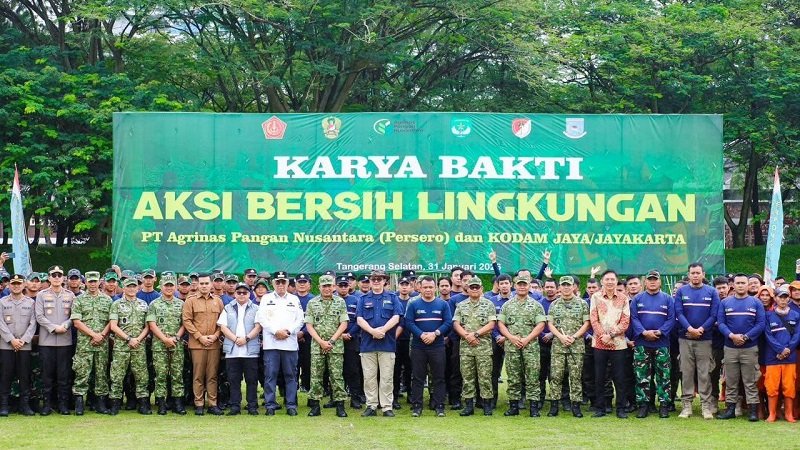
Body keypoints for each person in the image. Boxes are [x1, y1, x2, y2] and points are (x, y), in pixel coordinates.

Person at [717, 273, 766, 422]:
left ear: (747, 285)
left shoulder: (756, 302)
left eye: (743, 283)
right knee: (731, 380)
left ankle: (752, 411)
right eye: (737, 283)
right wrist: (732, 336)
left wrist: (745, 337)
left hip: (750, 348)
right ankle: (730, 410)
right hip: (730, 347)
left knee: (750, 381)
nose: (740, 285)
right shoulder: (725, 302)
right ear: (733, 285)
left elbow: (760, 324)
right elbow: (721, 323)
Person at [674, 263, 720, 419]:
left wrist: (700, 329)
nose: (695, 275)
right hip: (685, 338)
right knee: (686, 372)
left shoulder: (712, 292)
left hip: (705, 339)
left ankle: (705, 406)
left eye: (698, 272)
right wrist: (689, 329)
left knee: (704, 373)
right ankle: (686, 406)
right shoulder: (681, 291)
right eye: (692, 273)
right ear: (688, 274)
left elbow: (714, 315)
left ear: (703, 274)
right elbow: (679, 313)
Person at [497, 274, 547, 417]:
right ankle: (514, 407)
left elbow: (541, 324)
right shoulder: (507, 305)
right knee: (513, 377)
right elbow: (500, 324)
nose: (522, 286)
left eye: (525, 284)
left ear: (529, 285)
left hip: (530, 347)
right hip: (512, 347)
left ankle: (534, 408)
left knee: (532, 376)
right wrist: (511, 337)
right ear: (515, 285)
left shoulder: (536, 305)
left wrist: (527, 339)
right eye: (519, 284)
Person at [255, 271, 304, 416]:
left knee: (290, 376)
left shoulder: (294, 299)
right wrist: (276, 331)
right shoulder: (266, 298)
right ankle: (270, 405)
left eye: (284, 282)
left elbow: (300, 320)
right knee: (270, 375)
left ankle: (291, 405)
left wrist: (288, 331)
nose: (281, 285)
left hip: (289, 344)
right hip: (272, 344)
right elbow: (262, 319)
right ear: (273, 283)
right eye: (278, 282)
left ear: (288, 284)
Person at [356, 269, 403, 417]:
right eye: (373, 279)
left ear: (384, 281)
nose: (376, 281)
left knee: (387, 377)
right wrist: (372, 331)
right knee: (369, 377)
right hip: (368, 344)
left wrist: (382, 330)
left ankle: (387, 407)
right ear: (370, 281)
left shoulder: (393, 297)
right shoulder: (363, 299)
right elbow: (359, 319)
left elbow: (396, 317)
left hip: (387, 344)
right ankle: (371, 406)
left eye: (379, 279)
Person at [404, 275, 452, 417]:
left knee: (439, 377)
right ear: (420, 288)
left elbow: (448, 323)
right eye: (425, 287)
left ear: (435, 288)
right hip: (419, 346)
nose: (428, 290)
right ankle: (417, 406)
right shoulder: (414, 304)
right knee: (418, 377)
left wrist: (435, 334)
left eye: (431, 287)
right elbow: (409, 322)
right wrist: (422, 335)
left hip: (437, 346)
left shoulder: (443, 304)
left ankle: (439, 406)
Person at [629, 270, 674, 419]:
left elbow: (671, 319)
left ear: (660, 282)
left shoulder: (668, 299)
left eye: (655, 279)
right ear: (645, 282)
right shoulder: (637, 299)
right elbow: (634, 318)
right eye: (650, 279)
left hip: (661, 343)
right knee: (641, 376)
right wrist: (643, 332)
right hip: (642, 343)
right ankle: (643, 405)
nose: (653, 282)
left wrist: (660, 332)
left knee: (663, 376)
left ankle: (664, 405)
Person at [304, 275, 349, 417]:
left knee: (336, 376)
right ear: (319, 287)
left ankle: (340, 406)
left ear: (334, 287)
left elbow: (344, 323)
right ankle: (315, 406)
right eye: (324, 286)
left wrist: (332, 341)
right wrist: (321, 342)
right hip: (317, 347)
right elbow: (309, 325)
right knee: (316, 376)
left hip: (335, 346)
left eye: (329, 285)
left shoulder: (340, 302)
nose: (327, 288)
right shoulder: (312, 303)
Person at [546, 276, 591, 418]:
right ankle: (554, 406)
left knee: (576, 377)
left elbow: (587, 323)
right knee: (556, 376)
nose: (566, 287)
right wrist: (561, 337)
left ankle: (576, 406)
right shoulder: (554, 304)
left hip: (576, 346)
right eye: (563, 285)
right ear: (559, 287)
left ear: (574, 287)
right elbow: (550, 324)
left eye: (568, 285)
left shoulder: (582, 304)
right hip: (558, 346)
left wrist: (574, 337)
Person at [452, 276, 497, 416]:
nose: (475, 289)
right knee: (467, 377)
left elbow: (491, 324)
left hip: (483, 347)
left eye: (477, 287)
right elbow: (456, 323)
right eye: (472, 287)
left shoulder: (488, 304)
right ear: (467, 289)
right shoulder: (461, 305)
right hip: (466, 348)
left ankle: (487, 405)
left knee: (485, 377)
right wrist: (467, 336)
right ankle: (468, 406)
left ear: (481, 288)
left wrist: (475, 334)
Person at [35, 265, 76, 415]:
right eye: (54, 275)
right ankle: (47, 405)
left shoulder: (70, 295)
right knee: (47, 375)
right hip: (47, 341)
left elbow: (74, 315)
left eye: (59, 275)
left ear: (63, 277)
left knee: (64, 375)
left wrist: (65, 325)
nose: (57, 278)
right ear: (49, 277)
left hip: (65, 341)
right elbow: (39, 316)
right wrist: (53, 327)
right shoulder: (41, 295)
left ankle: (63, 405)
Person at [589, 270, 631, 419]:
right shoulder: (596, 297)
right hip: (600, 343)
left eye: (612, 279)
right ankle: (600, 408)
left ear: (616, 281)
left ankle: (620, 408)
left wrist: (611, 335)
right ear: (602, 281)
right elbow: (593, 319)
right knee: (599, 377)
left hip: (618, 344)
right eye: (607, 279)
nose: (610, 282)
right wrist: (603, 336)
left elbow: (625, 320)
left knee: (620, 377)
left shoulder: (623, 298)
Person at [70, 271, 112, 415]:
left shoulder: (107, 300)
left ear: (100, 282)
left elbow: (111, 322)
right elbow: (76, 322)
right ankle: (79, 403)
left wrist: (101, 335)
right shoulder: (79, 300)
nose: (93, 284)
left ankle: (100, 403)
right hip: (84, 343)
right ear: (85, 282)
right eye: (90, 281)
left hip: (102, 343)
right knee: (82, 372)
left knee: (101, 373)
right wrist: (94, 335)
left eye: (95, 281)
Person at [182, 273, 224, 415]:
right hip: (197, 344)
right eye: (201, 283)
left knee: (212, 375)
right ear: (197, 285)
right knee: (198, 375)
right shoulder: (191, 301)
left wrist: (216, 335)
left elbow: (222, 322)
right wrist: (199, 337)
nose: (204, 286)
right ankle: (199, 403)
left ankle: (212, 404)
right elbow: (187, 321)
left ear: (211, 284)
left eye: (207, 283)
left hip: (213, 343)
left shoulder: (217, 301)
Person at [108, 277, 151, 415]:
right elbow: (113, 326)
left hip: (138, 345)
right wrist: (128, 338)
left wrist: (137, 339)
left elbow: (148, 326)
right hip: (121, 346)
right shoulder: (116, 304)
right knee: (117, 375)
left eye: (134, 286)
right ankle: (115, 403)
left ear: (138, 288)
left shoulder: (144, 304)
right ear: (124, 288)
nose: (132, 289)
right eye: (129, 286)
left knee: (141, 375)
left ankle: (143, 403)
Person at [218, 282, 262, 416]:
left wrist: (247, 338)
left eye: (245, 292)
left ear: (250, 294)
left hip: (250, 351)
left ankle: (252, 406)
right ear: (235, 294)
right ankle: (235, 405)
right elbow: (223, 327)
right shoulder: (227, 307)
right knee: (234, 380)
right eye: (239, 292)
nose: (242, 295)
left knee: (252, 380)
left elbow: (258, 326)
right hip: (233, 350)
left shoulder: (256, 308)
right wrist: (235, 339)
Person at [147, 274, 187, 415]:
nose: (169, 288)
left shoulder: (181, 304)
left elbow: (185, 323)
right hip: (159, 345)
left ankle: (177, 403)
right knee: (161, 374)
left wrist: (176, 337)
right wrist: (165, 339)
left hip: (177, 344)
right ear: (161, 287)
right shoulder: (154, 304)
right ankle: (161, 403)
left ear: (175, 287)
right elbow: (152, 324)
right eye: (166, 285)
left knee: (177, 374)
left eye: (171, 285)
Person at [0, 274, 37, 416]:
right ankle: (4, 406)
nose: (16, 286)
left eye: (18, 283)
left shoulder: (30, 303)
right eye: (13, 283)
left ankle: (25, 405)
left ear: (23, 285)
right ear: (9, 285)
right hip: (5, 345)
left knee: (24, 375)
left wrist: (23, 340)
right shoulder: (2, 302)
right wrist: (11, 340)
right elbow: (1, 323)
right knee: (5, 375)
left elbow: (33, 323)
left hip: (24, 345)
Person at [763, 286, 799, 422]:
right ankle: (772, 414)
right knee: (772, 386)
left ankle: (789, 414)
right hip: (773, 357)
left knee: (789, 386)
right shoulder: (768, 315)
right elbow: (768, 335)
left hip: (790, 357)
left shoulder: (796, 315)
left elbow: (797, 335)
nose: (783, 300)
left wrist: (788, 349)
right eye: (780, 297)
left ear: (788, 298)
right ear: (775, 298)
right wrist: (780, 350)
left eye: (785, 297)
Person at [337, 276, 365, 408]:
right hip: (335, 340)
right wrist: (339, 335)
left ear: (349, 286)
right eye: (340, 285)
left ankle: (355, 398)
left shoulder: (356, 300)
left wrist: (349, 333)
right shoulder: (333, 300)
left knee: (353, 370)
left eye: (345, 285)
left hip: (352, 339)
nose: (343, 288)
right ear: (336, 287)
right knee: (336, 371)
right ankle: (336, 398)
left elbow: (359, 320)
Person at [393, 276, 414, 409]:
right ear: (398, 286)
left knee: (410, 369)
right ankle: (394, 396)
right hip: (395, 341)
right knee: (395, 370)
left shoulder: (414, 302)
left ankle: (411, 395)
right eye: (402, 284)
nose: (405, 287)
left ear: (411, 287)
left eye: (407, 284)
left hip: (411, 341)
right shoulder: (394, 301)